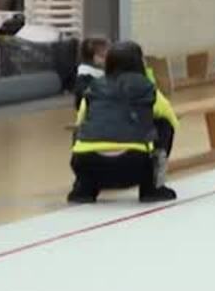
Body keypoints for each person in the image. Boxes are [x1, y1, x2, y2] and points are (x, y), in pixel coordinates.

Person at [69, 41, 179, 204]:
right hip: (133, 166)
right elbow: (171, 119)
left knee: (81, 129)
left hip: (88, 164)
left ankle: (83, 188)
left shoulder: (93, 88)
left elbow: (80, 121)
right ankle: (152, 187)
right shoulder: (147, 88)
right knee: (163, 124)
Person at [73, 36, 110, 108]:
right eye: (103, 56)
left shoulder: (102, 72)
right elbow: (82, 98)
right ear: (94, 58)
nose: (108, 59)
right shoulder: (85, 75)